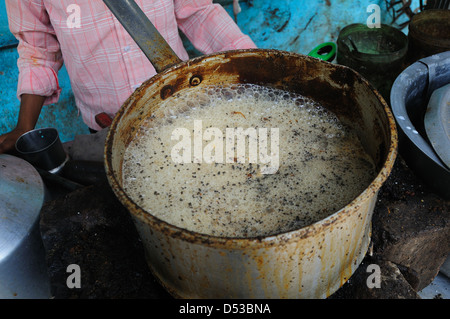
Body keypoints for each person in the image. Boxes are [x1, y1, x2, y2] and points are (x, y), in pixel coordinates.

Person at [0, 0, 256, 154]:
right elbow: (38, 49)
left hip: (181, 104)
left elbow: (198, 12)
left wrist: (254, 66)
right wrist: (25, 127)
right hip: (108, 125)